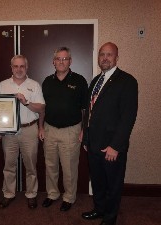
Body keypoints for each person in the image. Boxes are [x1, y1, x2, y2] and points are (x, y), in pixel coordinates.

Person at [81, 42, 138, 225]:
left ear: (116, 58)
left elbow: (128, 117)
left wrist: (116, 146)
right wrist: (85, 134)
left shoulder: (127, 81)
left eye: (109, 54)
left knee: (113, 185)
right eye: (102, 54)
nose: (105, 58)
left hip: (111, 146)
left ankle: (110, 218)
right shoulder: (96, 81)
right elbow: (89, 111)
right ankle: (99, 209)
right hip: (93, 143)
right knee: (97, 181)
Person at [40, 47, 88, 211]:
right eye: (58, 59)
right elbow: (42, 108)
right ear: (53, 62)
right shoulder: (47, 81)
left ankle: (69, 197)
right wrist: (40, 127)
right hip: (49, 129)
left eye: (65, 58)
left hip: (71, 130)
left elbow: (85, 109)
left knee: (69, 167)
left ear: (70, 61)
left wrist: (84, 129)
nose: (61, 62)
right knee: (50, 165)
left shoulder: (79, 81)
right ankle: (52, 194)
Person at [0, 55, 45, 209]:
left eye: (22, 66)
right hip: (9, 132)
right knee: (9, 164)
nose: (19, 69)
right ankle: (8, 193)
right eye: (15, 66)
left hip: (29, 129)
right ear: (11, 68)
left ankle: (31, 194)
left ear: (27, 67)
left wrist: (26, 102)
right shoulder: (3, 85)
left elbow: (41, 108)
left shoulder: (35, 85)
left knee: (31, 165)